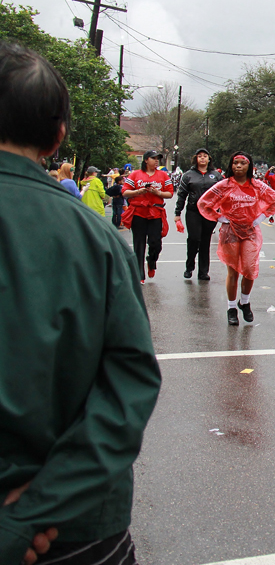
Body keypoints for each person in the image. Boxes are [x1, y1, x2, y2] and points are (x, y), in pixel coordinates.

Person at [0, 40, 160, 565]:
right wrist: (33, 510)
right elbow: (128, 383)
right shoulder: (95, 241)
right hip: (77, 526)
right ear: (58, 136)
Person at [197, 152, 275, 325]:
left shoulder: (257, 185)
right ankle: (231, 308)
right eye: (235, 163)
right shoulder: (224, 185)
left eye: (242, 163)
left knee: (250, 270)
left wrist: (260, 218)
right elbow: (203, 203)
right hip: (230, 232)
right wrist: (221, 218)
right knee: (233, 271)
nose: (238, 166)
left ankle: (244, 302)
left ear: (249, 166)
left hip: (250, 232)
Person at [123, 150, 173, 283]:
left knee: (155, 243)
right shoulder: (135, 175)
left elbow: (170, 193)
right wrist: (138, 191)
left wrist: (158, 192)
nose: (156, 161)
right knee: (139, 244)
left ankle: (151, 261)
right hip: (139, 213)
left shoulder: (163, 175)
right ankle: (139, 274)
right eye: (153, 158)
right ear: (146, 160)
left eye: (158, 159)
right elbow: (125, 192)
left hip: (155, 213)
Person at [174, 148, 224, 280]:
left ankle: (203, 272)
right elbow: (181, 195)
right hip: (193, 212)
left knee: (205, 241)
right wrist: (177, 213)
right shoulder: (188, 175)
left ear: (209, 159)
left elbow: (223, 194)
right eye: (200, 156)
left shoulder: (216, 176)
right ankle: (189, 266)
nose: (202, 158)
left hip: (209, 212)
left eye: (205, 156)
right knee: (194, 238)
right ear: (196, 158)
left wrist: (221, 211)